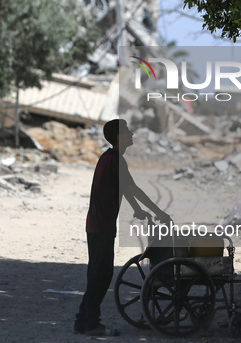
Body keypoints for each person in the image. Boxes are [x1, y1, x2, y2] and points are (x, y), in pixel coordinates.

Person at [74, 119, 171, 336]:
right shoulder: (114, 160)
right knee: (100, 275)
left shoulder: (111, 159)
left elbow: (125, 190)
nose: (131, 134)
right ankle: (90, 323)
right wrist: (160, 212)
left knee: (98, 273)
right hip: (101, 225)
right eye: (127, 131)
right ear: (119, 137)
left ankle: (83, 320)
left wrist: (138, 210)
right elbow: (132, 188)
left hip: (99, 224)